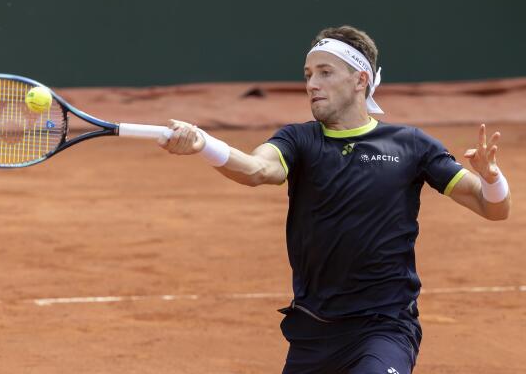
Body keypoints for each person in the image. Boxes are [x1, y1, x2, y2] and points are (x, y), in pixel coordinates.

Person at [158, 25, 511, 374]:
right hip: (312, 333)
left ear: (361, 80)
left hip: (383, 328)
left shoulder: (410, 145)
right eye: (309, 74)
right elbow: (256, 169)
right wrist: (205, 145)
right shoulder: (298, 140)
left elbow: (491, 207)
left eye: (326, 73)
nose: (312, 84)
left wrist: (492, 179)